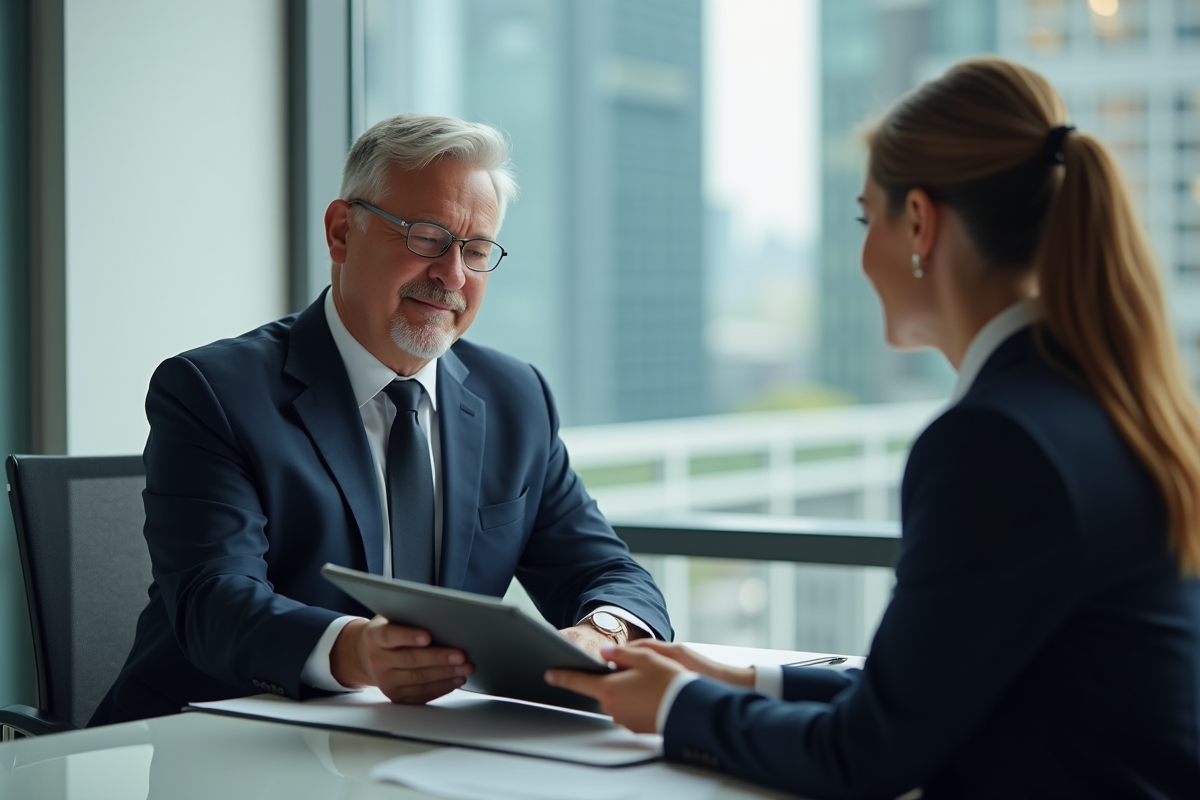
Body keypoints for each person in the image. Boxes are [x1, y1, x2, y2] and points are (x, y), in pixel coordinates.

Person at [547, 57, 1200, 799]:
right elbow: (942, 689)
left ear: (919, 221)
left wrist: (671, 706)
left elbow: (867, 755)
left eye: (867, 217)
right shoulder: (1102, 403)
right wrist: (743, 676)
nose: (862, 251)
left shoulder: (997, 442)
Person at [90, 114, 671, 725]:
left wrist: (603, 630)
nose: (452, 276)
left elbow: (609, 570)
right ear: (342, 232)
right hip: (211, 740)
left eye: (475, 252)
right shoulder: (213, 391)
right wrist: (355, 652)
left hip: (415, 752)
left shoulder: (515, 398)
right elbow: (215, 603)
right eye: (427, 237)